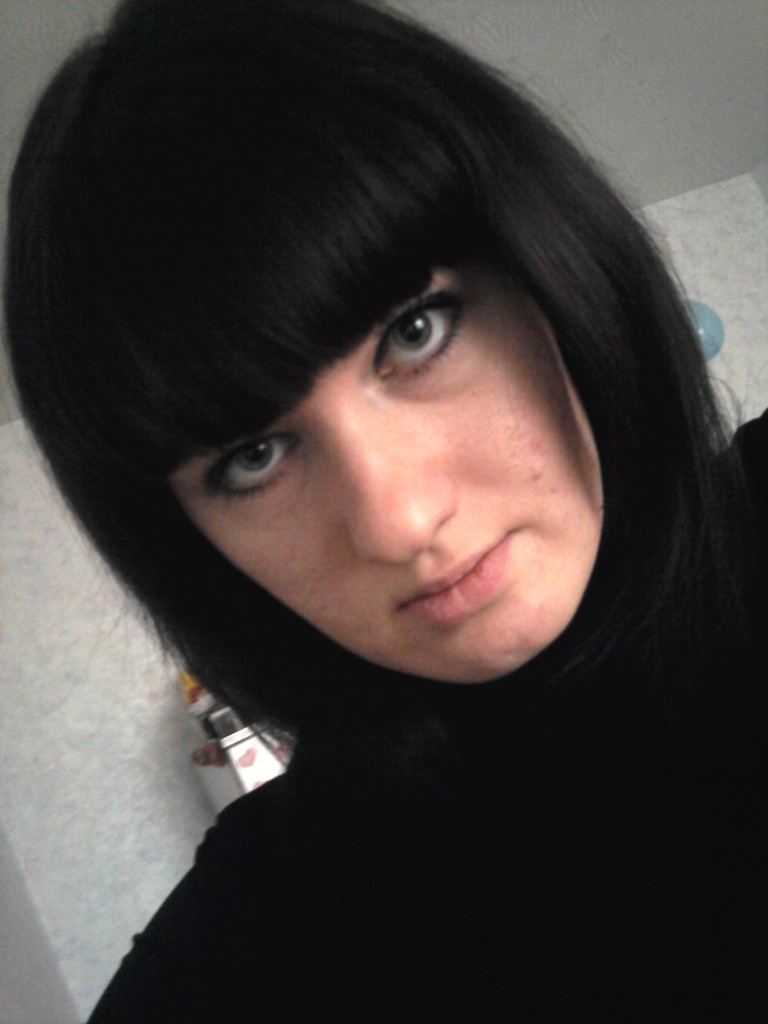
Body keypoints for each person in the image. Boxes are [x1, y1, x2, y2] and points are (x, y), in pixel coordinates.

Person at [5, 0, 766, 1018]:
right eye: (253, 456)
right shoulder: (284, 925)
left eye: (416, 331)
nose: (399, 522)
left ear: (552, 266)